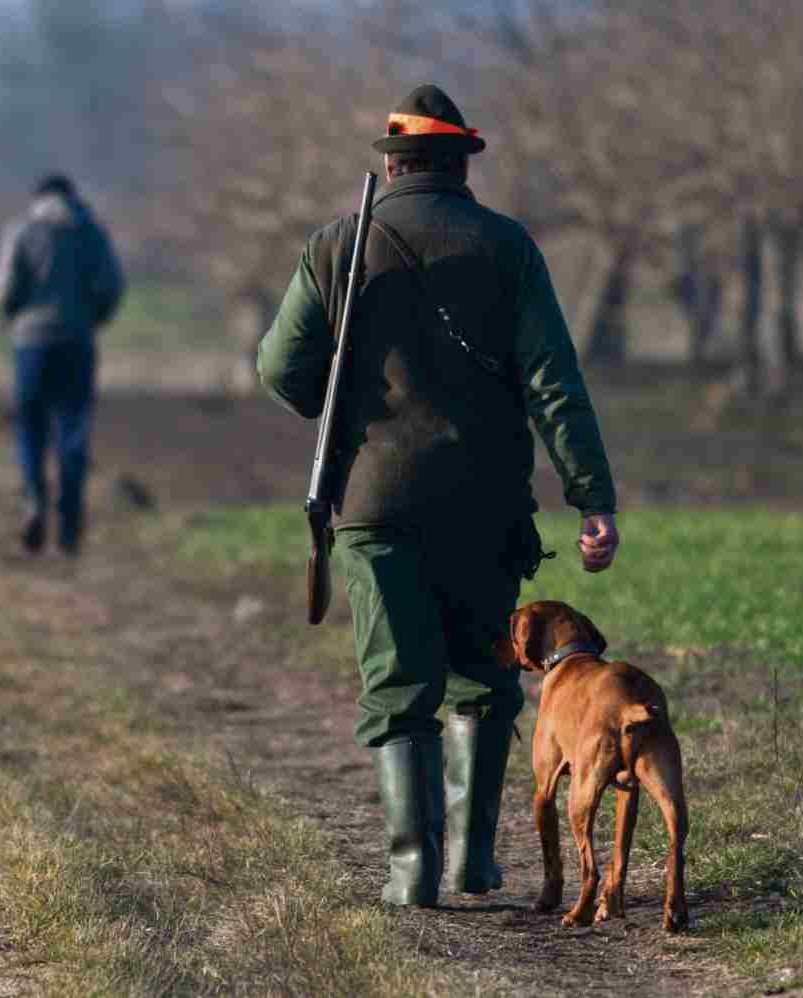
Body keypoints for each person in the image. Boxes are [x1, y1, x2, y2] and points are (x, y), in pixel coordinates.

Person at [257, 84, 620, 908]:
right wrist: (591, 492)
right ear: (461, 163)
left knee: (396, 684)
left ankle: (410, 870)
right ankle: (472, 863)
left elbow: (280, 369)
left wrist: (342, 403)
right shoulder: (507, 246)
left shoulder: (337, 246)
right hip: (487, 505)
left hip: (375, 504)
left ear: (392, 164)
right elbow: (553, 381)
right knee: (483, 681)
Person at [0, 174, 124, 555]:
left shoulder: (22, 231)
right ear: (72, 198)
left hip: (31, 343)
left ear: (38, 198)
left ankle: (33, 499)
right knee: (72, 431)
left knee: (30, 427)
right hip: (77, 342)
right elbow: (112, 287)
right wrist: (92, 319)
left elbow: (3, 291)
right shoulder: (91, 233)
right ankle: (68, 524)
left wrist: (16, 319)